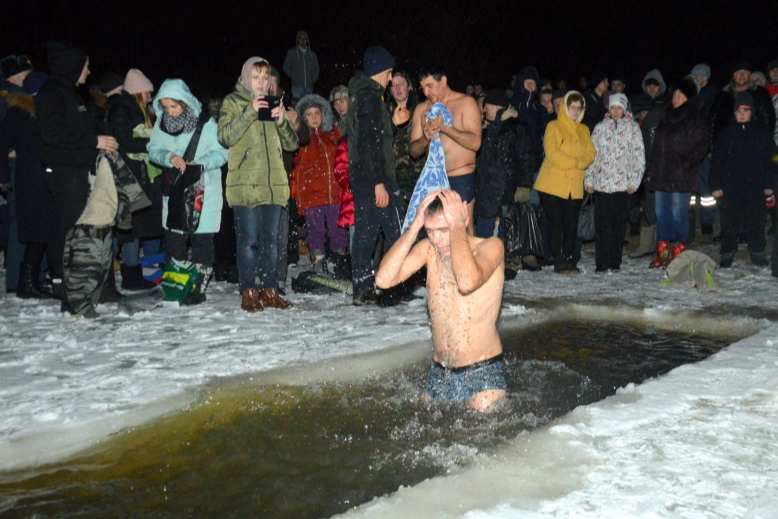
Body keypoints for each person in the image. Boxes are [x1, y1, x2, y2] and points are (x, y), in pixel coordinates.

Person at [375, 189, 506, 413]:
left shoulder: (490, 246)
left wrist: (456, 226)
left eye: (444, 230)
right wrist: (415, 226)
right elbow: (384, 279)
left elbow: (466, 281)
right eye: (431, 231)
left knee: (484, 441)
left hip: (482, 371)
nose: (437, 240)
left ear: (462, 220)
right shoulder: (429, 250)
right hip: (441, 371)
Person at [36, 41, 119, 313]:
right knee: (74, 234)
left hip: (79, 171)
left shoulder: (72, 94)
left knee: (87, 231)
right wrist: (93, 140)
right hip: (64, 173)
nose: (88, 70)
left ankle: (93, 291)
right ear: (72, 65)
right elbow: (51, 134)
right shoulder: (51, 93)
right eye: (85, 65)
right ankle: (73, 297)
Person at [218, 57, 298, 311]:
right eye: (256, 77)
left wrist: (281, 122)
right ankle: (249, 291)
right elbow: (225, 135)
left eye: (265, 78)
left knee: (271, 241)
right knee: (248, 240)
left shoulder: (275, 103)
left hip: (273, 184)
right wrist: (250, 110)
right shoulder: (233, 102)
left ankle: (270, 290)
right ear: (245, 78)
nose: (261, 83)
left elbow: (292, 144)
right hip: (246, 184)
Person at [148, 78, 227, 305]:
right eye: (165, 107)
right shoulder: (161, 123)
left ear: (184, 102)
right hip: (174, 193)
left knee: (201, 241)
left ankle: (199, 288)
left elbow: (222, 154)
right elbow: (153, 149)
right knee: (174, 240)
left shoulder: (206, 124)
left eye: (173, 106)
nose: (169, 112)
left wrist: (199, 164)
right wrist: (168, 157)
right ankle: (178, 283)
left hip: (203, 192)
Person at [344, 46, 410, 305]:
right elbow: (369, 146)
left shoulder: (362, 96)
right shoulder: (370, 98)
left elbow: (371, 138)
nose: (391, 78)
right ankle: (393, 285)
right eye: (389, 72)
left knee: (366, 232)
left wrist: (391, 124)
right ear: (378, 71)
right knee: (395, 228)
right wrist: (379, 183)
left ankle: (362, 287)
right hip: (374, 177)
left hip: (362, 176)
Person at [0, 71, 59, 299]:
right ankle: (26, 283)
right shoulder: (20, 113)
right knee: (37, 231)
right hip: (30, 179)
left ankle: (32, 280)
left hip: (45, 177)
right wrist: (3, 176)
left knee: (44, 231)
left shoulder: (41, 112)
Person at [643, 78, 710, 268]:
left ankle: (678, 254)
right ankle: (663, 253)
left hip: (682, 175)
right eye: (674, 94)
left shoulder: (695, 118)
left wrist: (686, 163)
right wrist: (652, 170)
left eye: (680, 94)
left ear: (689, 97)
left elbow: (702, 144)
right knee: (661, 213)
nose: (675, 98)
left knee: (678, 214)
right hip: (662, 175)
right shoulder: (666, 116)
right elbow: (658, 148)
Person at [105, 68, 162, 290]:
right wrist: (153, 144)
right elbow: (124, 142)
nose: (150, 98)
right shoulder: (121, 110)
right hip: (129, 177)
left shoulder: (132, 110)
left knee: (139, 225)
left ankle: (141, 272)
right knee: (130, 227)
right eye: (148, 93)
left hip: (138, 175)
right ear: (139, 92)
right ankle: (131, 275)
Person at [410, 68, 482, 232]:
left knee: (463, 231)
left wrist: (444, 128)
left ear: (443, 81)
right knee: (435, 232)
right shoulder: (422, 109)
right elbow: (413, 152)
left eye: (430, 86)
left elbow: (476, 143)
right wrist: (425, 139)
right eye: (423, 89)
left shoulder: (466, 103)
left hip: (460, 177)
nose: (426, 92)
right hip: (433, 180)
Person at [710, 93, 775, 268]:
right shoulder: (726, 134)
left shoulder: (762, 133)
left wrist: (770, 184)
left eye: (746, 111)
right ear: (734, 113)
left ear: (752, 112)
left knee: (756, 221)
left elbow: (771, 161)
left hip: (756, 186)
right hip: (731, 187)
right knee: (728, 222)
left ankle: (758, 252)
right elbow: (717, 161)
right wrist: (715, 184)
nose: (742, 114)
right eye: (738, 111)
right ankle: (727, 253)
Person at [534, 91, 595, 274]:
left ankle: (568, 257)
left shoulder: (584, 130)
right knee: (555, 222)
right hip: (552, 184)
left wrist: (579, 162)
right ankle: (558, 258)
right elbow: (552, 152)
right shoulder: (553, 126)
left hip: (573, 185)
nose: (575, 111)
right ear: (565, 108)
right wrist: (576, 162)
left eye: (578, 108)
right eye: (572, 107)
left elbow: (591, 153)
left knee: (571, 223)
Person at [473, 89, 533, 274]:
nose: (484, 110)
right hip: (487, 188)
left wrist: (524, 185)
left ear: (497, 106)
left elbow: (526, 158)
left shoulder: (516, 127)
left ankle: (504, 265)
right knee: (485, 228)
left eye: (487, 106)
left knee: (505, 229)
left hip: (507, 188)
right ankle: (484, 265)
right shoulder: (488, 128)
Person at [584, 93, 645, 273]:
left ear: (624, 109)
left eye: (619, 108)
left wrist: (634, 181)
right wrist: (589, 179)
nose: (616, 112)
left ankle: (615, 261)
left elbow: (639, 157)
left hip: (622, 186)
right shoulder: (600, 128)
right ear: (608, 109)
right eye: (613, 108)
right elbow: (592, 157)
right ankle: (601, 263)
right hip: (602, 186)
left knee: (618, 225)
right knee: (602, 226)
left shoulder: (633, 128)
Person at [293, 94, 347, 274]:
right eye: (309, 114)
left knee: (338, 229)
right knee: (315, 232)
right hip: (312, 196)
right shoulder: (301, 139)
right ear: (302, 117)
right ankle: (318, 264)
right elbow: (294, 158)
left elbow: (344, 156)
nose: (314, 117)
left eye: (318, 113)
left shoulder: (333, 134)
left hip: (334, 194)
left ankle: (339, 263)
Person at [387, 70, 423, 212]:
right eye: (394, 85)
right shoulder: (384, 114)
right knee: (400, 216)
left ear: (408, 87)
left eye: (401, 84)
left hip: (419, 172)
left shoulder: (421, 110)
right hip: (395, 176)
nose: (398, 88)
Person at [282, 31, 319, 100]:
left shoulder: (312, 54)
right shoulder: (292, 53)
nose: (302, 40)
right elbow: (285, 67)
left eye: (304, 39)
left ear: (307, 41)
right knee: (296, 107)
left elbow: (316, 69)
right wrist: (293, 76)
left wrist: (313, 80)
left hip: (309, 88)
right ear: (298, 40)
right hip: (296, 88)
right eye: (300, 38)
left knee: (307, 109)